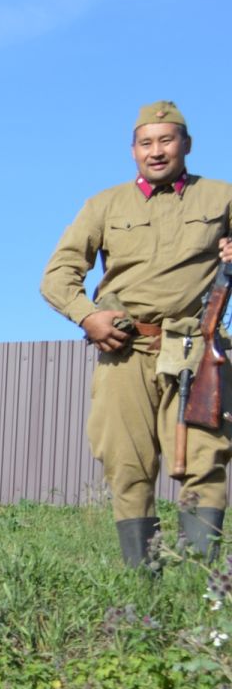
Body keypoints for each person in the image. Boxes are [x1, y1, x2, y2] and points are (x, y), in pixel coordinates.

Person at [41, 100, 232, 565]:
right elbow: (57, 276)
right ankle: (142, 586)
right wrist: (88, 316)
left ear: (186, 145)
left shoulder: (221, 197)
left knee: (205, 462)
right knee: (126, 465)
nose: (157, 151)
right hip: (126, 350)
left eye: (167, 140)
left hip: (195, 348)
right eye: (147, 143)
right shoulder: (105, 204)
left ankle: (198, 587)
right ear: (133, 151)